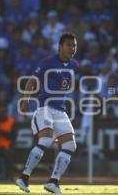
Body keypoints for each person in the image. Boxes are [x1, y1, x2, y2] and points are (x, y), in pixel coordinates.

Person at [16, 33, 79, 194]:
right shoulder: (48, 62)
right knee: (45, 140)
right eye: (69, 45)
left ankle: (53, 181)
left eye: (74, 45)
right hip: (45, 108)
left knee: (70, 145)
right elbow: (32, 80)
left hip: (61, 110)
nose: (72, 48)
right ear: (60, 46)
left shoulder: (74, 65)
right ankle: (24, 177)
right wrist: (25, 100)